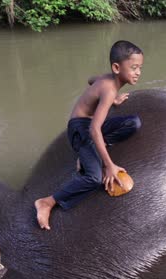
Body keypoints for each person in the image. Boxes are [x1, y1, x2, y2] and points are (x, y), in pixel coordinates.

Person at [35, 40, 144, 230]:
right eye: (134, 67)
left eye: (140, 67)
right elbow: (94, 129)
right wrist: (109, 166)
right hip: (81, 128)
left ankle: (89, 153)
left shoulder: (107, 80)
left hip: (90, 124)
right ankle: (48, 202)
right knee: (94, 178)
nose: (138, 72)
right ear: (117, 67)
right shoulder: (109, 89)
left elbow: (91, 80)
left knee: (133, 123)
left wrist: (112, 100)